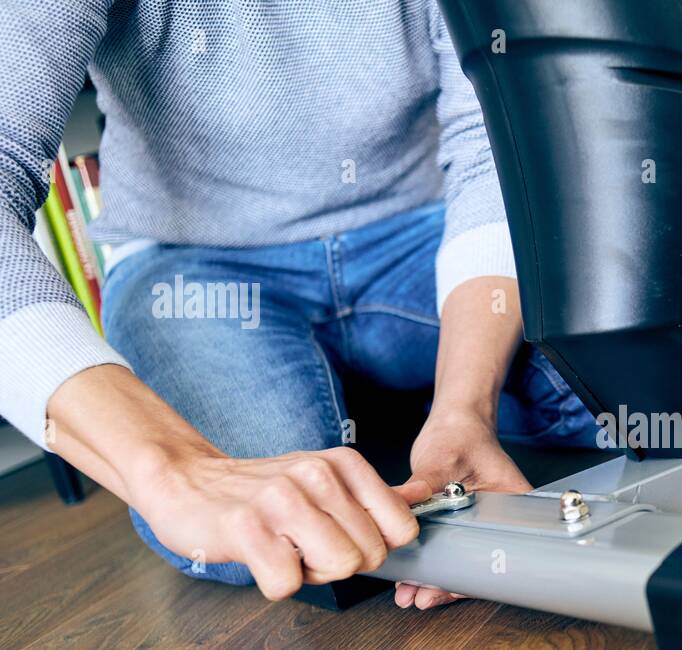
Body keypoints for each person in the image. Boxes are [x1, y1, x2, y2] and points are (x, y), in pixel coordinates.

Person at [0, 1, 601, 609]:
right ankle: (371, 409)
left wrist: (464, 406)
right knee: (262, 535)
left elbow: (486, 140)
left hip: (421, 229)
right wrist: (172, 468)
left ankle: (395, 414)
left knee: (631, 392)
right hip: (194, 263)